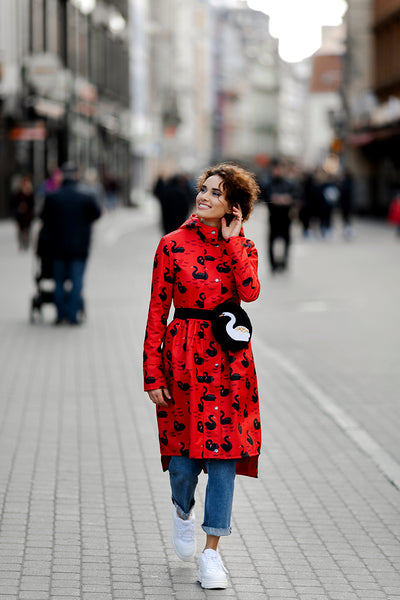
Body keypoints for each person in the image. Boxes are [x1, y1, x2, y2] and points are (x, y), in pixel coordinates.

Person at [143, 163, 262, 589]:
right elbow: (157, 313)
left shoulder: (241, 246)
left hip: (230, 365)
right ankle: (181, 511)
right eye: (204, 189)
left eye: (216, 192)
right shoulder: (171, 244)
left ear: (234, 206)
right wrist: (151, 371)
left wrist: (233, 244)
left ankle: (212, 554)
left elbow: (250, 292)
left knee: (224, 458)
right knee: (182, 462)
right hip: (183, 361)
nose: (205, 196)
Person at [40, 162, 101, 325]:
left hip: (57, 248)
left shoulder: (52, 198)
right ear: (75, 176)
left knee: (58, 282)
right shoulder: (85, 197)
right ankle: (73, 316)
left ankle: (60, 315)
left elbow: (44, 219)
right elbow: (97, 214)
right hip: (79, 248)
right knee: (77, 282)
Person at [263, 159, 294, 272]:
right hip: (273, 217)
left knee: (286, 241)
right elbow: (263, 197)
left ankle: (284, 263)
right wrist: (273, 199)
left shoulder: (289, 183)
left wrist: (288, 200)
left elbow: (296, 196)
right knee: (271, 242)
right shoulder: (268, 183)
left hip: (286, 217)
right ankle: (273, 265)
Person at [12, 174, 35, 250]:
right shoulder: (18, 194)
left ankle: (27, 244)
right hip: (20, 215)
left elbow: (33, 204)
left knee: (28, 230)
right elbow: (13, 204)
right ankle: (21, 244)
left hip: (28, 215)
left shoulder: (31, 194)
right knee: (20, 230)